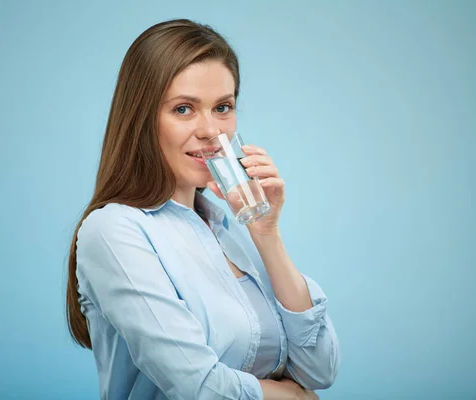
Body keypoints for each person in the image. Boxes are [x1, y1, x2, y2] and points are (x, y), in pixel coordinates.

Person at [65, 19, 340, 400]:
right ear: (143, 119)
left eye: (223, 107)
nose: (211, 130)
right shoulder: (114, 231)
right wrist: (292, 397)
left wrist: (267, 233)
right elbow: (198, 387)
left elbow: (320, 368)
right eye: (183, 109)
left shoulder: (232, 229)